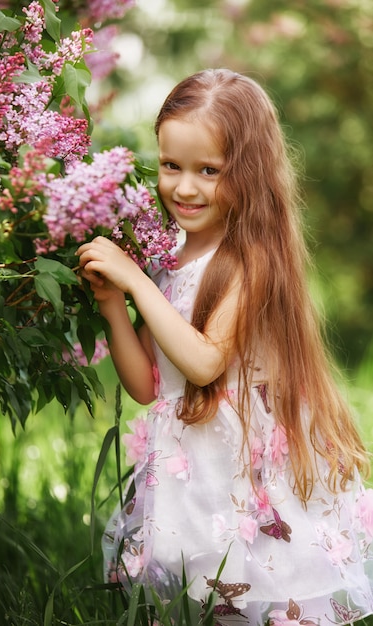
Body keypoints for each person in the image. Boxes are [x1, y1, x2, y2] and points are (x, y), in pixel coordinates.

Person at [77, 69, 373, 625]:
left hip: (242, 469)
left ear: (249, 173)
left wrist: (138, 283)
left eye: (208, 171)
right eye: (171, 166)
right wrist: (115, 305)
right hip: (190, 464)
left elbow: (206, 362)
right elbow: (147, 386)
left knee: (256, 592)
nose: (184, 188)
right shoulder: (172, 258)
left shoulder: (249, 262)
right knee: (207, 596)